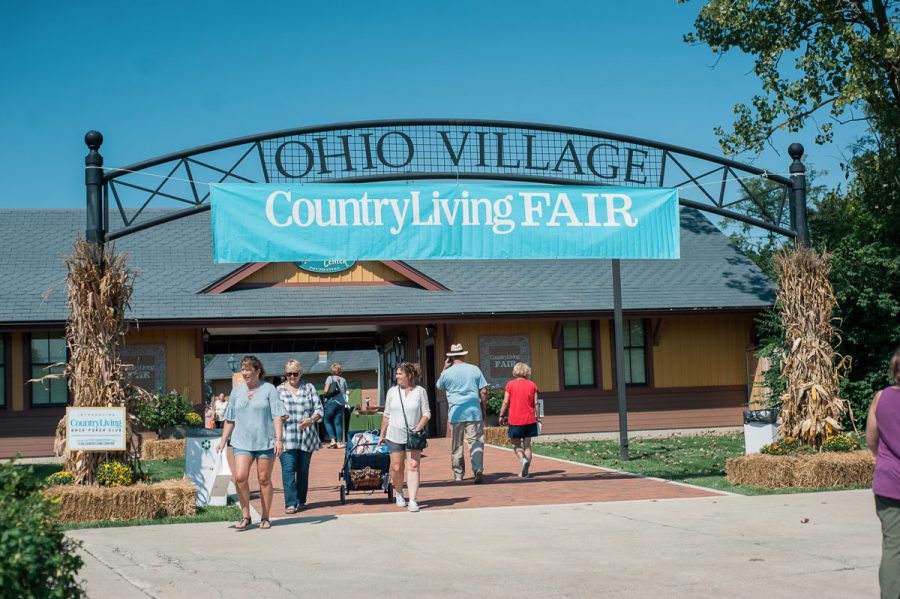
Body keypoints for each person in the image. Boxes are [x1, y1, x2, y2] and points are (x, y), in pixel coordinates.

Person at [215, 355, 285, 530]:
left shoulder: (269, 389)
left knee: (264, 479)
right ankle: (246, 515)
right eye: (243, 369)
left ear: (257, 371)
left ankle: (265, 516)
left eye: (248, 369)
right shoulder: (237, 391)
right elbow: (230, 419)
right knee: (240, 477)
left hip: (265, 442)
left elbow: (277, 416)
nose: (244, 373)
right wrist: (223, 439)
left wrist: (279, 439)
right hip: (242, 441)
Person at [866, 347, 900, 599]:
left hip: (889, 484)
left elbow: (871, 440)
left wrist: (887, 462)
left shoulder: (881, 397)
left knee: (893, 548)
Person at [378, 362, 430, 512]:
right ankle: (399, 492)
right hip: (394, 435)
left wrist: (418, 428)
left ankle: (413, 500)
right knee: (396, 467)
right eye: (397, 374)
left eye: (400, 374)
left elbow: (427, 413)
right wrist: (382, 434)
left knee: (413, 466)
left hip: (413, 436)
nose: (397, 377)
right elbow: (386, 415)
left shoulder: (420, 392)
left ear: (409, 375)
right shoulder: (392, 392)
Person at [436, 343, 488, 483]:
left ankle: (458, 473)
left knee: (457, 444)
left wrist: (444, 368)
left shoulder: (447, 373)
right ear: (463, 355)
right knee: (475, 442)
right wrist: (483, 408)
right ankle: (478, 469)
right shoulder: (474, 369)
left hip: (456, 412)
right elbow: (483, 391)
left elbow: (439, 386)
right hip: (473, 411)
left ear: (450, 357)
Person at [277, 359, 323, 513]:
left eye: (295, 374)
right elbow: (271, 412)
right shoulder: (279, 390)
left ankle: (301, 500)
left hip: (306, 438)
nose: (291, 377)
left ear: (301, 373)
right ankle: (290, 503)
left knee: (303, 470)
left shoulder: (309, 388)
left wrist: (310, 419)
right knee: (288, 469)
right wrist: (278, 417)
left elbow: (319, 410)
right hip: (286, 437)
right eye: (288, 374)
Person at [498, 362, 541, 478]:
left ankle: (523, 460)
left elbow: (506, 402)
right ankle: (526, 470)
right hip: (530, 419)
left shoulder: (510, 385)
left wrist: (501, 415)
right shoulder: (532, 385)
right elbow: (536, 403)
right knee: (527, 445)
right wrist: (538, 416)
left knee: (516, 445)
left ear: (515, 372)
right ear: (527, 372)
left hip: (515, 420)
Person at [323, 363, 348, 449]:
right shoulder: (343, 380)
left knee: (326, 420)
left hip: (332, 402)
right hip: (341, 403)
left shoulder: (330, 378)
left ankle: (332, 440)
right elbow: (344, 391)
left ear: (331, 371)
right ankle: (339, 442)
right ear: (340, 371)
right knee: (338, 423)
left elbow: (326, 391)